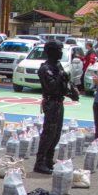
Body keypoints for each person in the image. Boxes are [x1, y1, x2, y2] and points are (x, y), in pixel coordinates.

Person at [34, 40, 79, 175]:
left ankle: (48, 159)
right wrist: (62, 77)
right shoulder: (45, 69)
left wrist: (72, 92)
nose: (61, 52)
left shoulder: (57, 66)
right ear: (52, 52)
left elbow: (64, 84)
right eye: (59, 50)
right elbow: (52, 86)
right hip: (51, 103)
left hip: (59, 102)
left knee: (56, 134)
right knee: (49, 133)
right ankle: (39, 163)